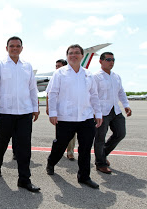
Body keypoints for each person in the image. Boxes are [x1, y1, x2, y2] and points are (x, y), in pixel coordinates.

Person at [46, 44, 102, 189]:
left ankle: (84, 177)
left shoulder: (88, 74)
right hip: (66, 117)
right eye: (70, 53)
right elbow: (52, 94)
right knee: (60, 145)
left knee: (85, 148)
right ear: (67, 56)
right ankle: (51, 162)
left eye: (77, 53)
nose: (73, 55)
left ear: (82, 56)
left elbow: (94, 95)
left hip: (86, 117)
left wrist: (98, 113)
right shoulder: (60, 73)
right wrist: (53, 113)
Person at [0, 36, 40, 193]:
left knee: (24, 147)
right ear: (7, 48)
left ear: (22, 48)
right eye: (12, 46)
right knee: (1, 143)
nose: (15, 48)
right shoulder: (0, 64)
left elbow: (32, 88)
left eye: (18, 46)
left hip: (24, 112)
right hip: (5, 112)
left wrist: (35, 106)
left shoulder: (27, 66)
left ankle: (24, 179)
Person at [93, 52, 132, 174]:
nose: (111, 62)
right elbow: (92, 95)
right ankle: (100, 163)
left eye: (113, 59)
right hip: (102, 112)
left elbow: (121, 92)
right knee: (100, 138)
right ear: (100, 61)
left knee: (120, 133)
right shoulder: (96, 77)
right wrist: (95, 112)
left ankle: (102, 154)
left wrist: (126, 105)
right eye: (108, 59)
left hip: (115, 110)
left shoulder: (116, 76)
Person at [46, 59, 76, 161]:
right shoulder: (55, 77)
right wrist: (48, 107)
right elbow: (49, 93)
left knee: (72, 133)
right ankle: (58, 152)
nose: (57, 68)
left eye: (59, 66)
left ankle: (70, 152)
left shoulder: (73, 77)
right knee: (60, 134)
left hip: (72, 110)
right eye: (56, 66)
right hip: (59, 110)